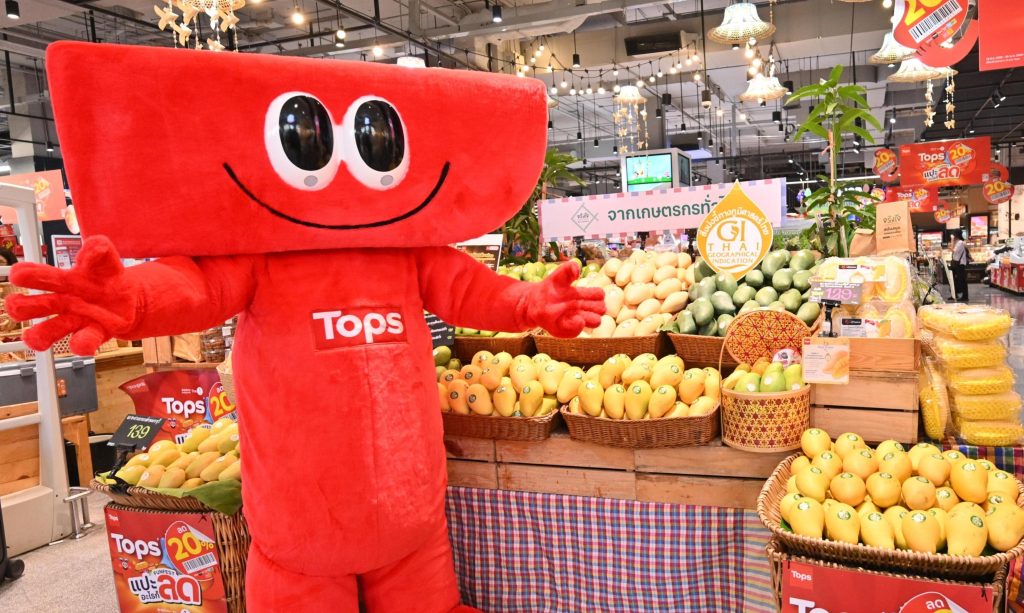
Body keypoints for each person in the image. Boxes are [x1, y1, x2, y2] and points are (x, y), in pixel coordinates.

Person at [950, 229, 969, 302]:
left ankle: (965, 296)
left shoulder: (960, 242)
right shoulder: (958, 242)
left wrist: (952, 241)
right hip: (956, 263)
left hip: (960, 264)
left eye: (954, 235)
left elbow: (953, 250)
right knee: (954, 280)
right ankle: (954, 294)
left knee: (962, 280)